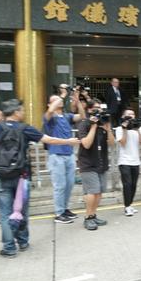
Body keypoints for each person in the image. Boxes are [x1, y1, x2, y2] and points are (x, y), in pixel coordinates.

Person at [0, 99, 80, 257]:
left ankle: (9, 248)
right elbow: (48, 140)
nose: (23, 113)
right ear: (15, 112)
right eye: (21, 110)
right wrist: (68, 141)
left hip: (1, 176)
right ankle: (22, 242)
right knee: (21, 211)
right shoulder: (25, 128)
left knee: (5, 213)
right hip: (22, 177)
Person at [43, 92, 85, 224]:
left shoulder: (66, 116)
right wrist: (62, 95)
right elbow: (50, 110)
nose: (59, 101)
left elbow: (83, 116)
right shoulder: (50, 118)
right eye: (54, 100)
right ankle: (59, 213)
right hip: (56, 155)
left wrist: (77, 102)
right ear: (50, 104)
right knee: (59, 186)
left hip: (69, 154)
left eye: (60, 100)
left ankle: (65, 209)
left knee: (69, 184)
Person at [77, 99, 115, 230]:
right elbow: (86, 144)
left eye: (100, 108)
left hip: (101, 163)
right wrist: (93, 126)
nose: (99, 111)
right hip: (88, 163)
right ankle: (87, 217)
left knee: (99, 193)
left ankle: (93, 215)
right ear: (89, 110)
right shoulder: (84, 124)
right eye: (95, 109)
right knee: (92, 192)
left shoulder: (103, 124)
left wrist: (108, 129)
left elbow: (111, 143)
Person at [116, 109, 141, 216]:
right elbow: (123, 143)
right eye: (128, 115)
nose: (131, 116)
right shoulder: (119, 129)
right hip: (124, 161)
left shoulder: (138, 128)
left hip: (135, 161)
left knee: (133, 185)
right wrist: (125, 128)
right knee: (127, 184)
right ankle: (127, 206)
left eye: (132, 114)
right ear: (124, 117)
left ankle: (130, 204)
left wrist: (136, 129)